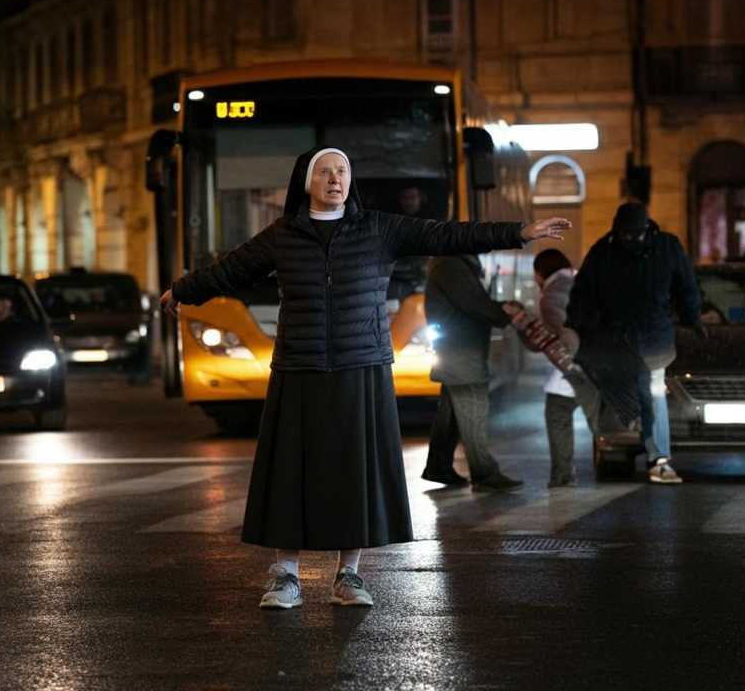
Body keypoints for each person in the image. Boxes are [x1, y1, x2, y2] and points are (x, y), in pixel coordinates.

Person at [161, 146, 570, 609]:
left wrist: (519, 232)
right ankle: (285, 577)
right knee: (292, 475)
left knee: (354, 476)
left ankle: (348, 576)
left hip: (362, 366)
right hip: (300, 366)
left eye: (343, 172)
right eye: (325, 172)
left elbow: (449, 235)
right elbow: (230, 270)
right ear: (306, 182)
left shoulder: (379, 228)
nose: (336, 179)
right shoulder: (283, 235)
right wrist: (183, 290)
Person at [566, 202, 702, 484]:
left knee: (650, 395)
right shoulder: (614, 250)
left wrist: (693, 317)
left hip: (643, 340)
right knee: (643, 396)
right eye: (625, 235)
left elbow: (686, 287)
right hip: (624, 339)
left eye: (633, 235)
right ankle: (653, 451)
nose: (630, 240)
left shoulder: (610, 251)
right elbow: (582, 296)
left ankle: (657, 455)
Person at [421, 253, 524, 490]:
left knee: (451, 416)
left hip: (455, 352)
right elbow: (474, 303)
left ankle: (439, 465)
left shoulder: (450, 263)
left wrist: (499, 308)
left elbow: (472, 301)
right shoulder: (451, 264)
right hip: (461, 353)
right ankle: (485, 474)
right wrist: (502, 313)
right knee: (473, 410)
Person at [532, 249, 582, 487]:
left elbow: (565, 337)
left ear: (542, 273)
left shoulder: (551, 297)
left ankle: (563, 475)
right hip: (609, 357)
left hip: (580, 363)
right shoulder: (581, 279)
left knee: (557, 410)